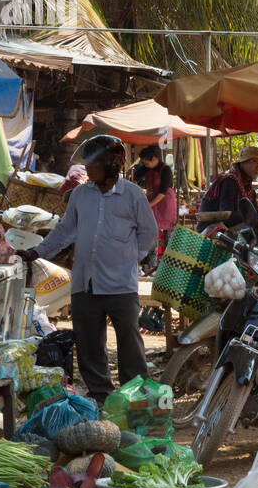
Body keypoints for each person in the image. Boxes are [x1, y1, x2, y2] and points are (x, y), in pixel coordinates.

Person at [16, 135, 159, 405]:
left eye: (93, 164)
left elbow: (149, 234)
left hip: (120, 285)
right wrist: (37, 252)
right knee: (89, 347)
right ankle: (101, 397)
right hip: (85, 283)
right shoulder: (81, 194)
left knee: (130, 345)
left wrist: (131, 258)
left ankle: (135, 399)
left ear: (111, 164)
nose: (88, 169)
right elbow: (65, 231)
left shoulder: (132, 195)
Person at [199, 143, 258, 232]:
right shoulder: (229, 181)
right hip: (210, 234)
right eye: (254, 161)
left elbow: (257, 214)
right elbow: (228, 216)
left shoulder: (249, 190)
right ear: (242, 163)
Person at [131, 145, 177, 252]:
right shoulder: (147, 168)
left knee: (167, 234)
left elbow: (162, 193)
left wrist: (148, 205)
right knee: (151, 232)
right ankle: (151, 262)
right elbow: (134, 177)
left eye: (147, 163)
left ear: (154, 159)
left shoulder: (166, 170)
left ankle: (167, 262)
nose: (145, 165)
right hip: (151, 201)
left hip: (165, 202)